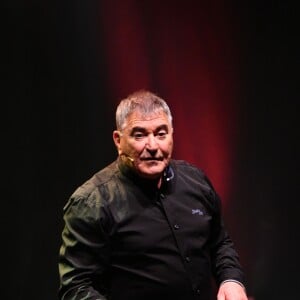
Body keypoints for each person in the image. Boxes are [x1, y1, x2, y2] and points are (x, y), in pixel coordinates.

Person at [58, 90, 248, 300]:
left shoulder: (196, 181)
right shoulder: (92, 203)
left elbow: (220, 243)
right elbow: (76, 286)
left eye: (161, 134)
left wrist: (231, 280)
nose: (153, 146)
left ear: (172, 135)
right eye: (140, 135)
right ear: (118, 140)